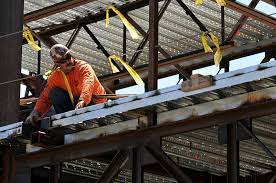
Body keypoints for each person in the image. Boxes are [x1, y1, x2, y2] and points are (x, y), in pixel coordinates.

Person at [25, 44, 107, 124]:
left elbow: (88, 83)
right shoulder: (56, 77)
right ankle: (66, 120)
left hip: (94, 101)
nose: (68, 61)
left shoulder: (83, 67)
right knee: (55, 93)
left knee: (81, 99)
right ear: (58, 64)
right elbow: (45, 98)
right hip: (76, 103)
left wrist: (83, 100)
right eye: (64, 61)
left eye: (69, 56)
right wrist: (36, 112)